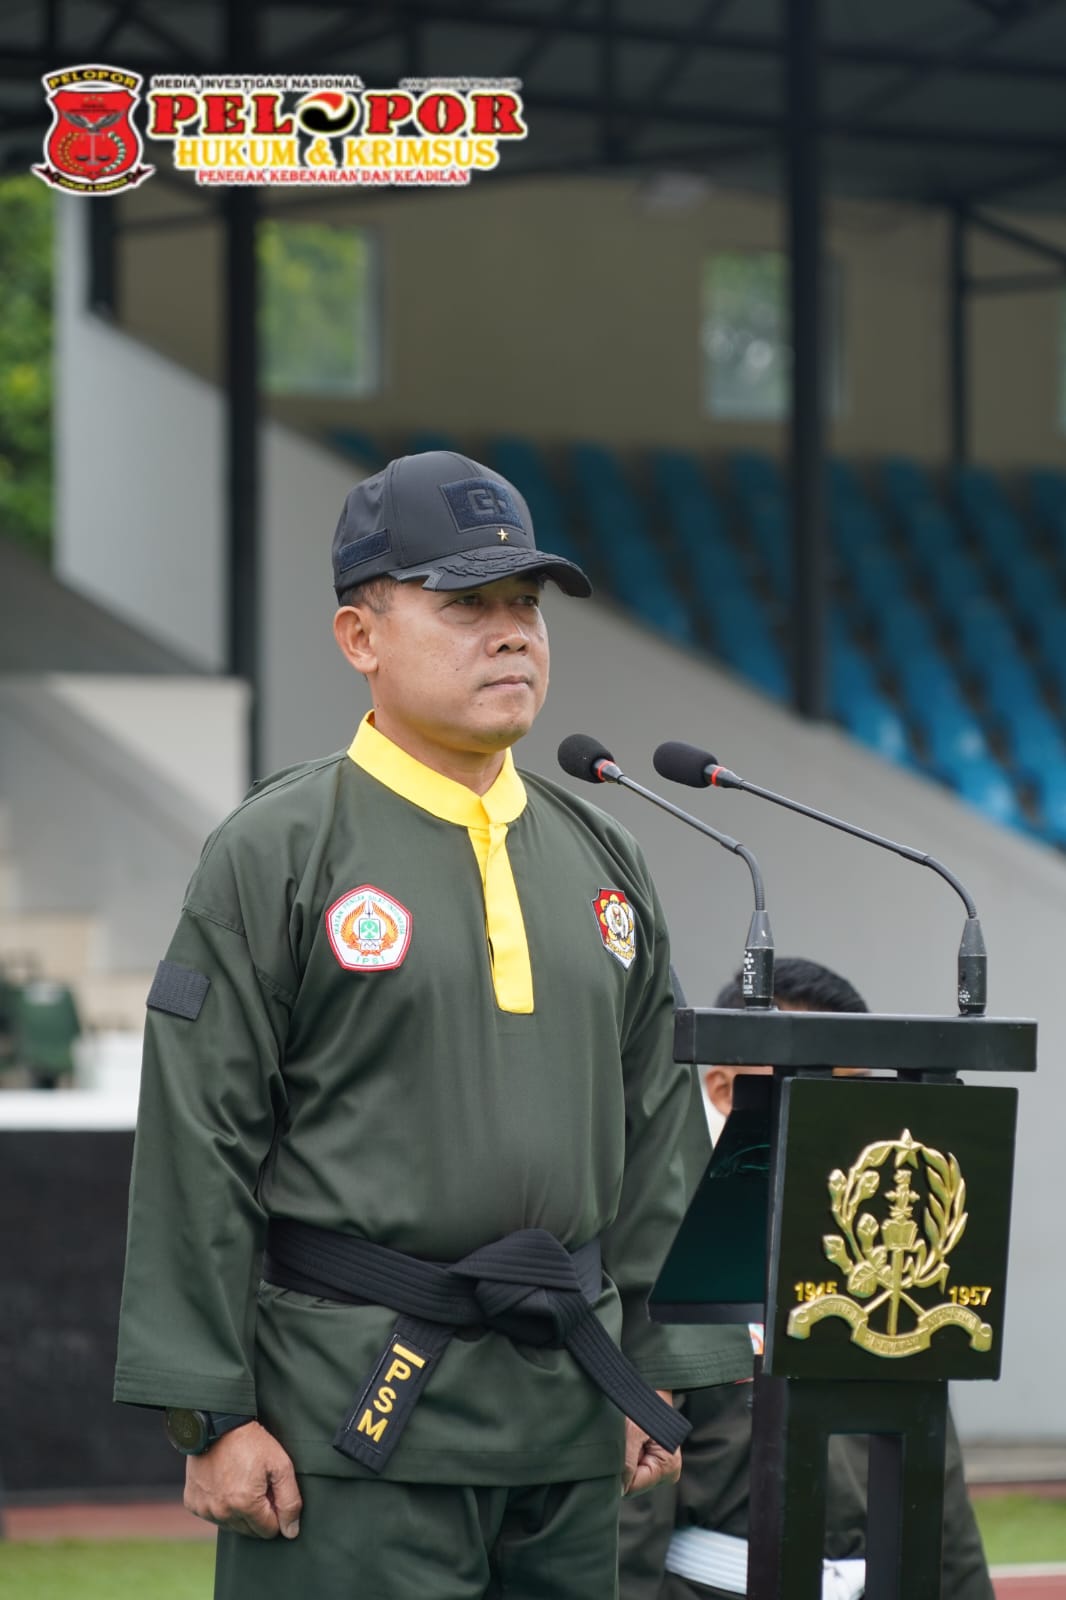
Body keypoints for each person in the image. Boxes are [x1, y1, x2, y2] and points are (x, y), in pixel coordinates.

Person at [114, 450, 749, 1600]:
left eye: (526, 605)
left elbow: (659, 1127)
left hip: (569, 1410)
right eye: (467, 605)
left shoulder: (604, 854)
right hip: (350, 1413)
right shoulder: (278, 849)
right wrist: (209, 1410)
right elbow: (199, 1138)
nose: (511, 634)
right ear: (359, 637)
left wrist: (659, 1369)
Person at [618, 958, 994, 1600]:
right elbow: (637, 1495)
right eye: (815, 1083)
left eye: (859, 1087)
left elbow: (935, 1471)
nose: (846, 1111)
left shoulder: (874, 1255)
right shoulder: (664, 1244)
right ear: (725, 1089)